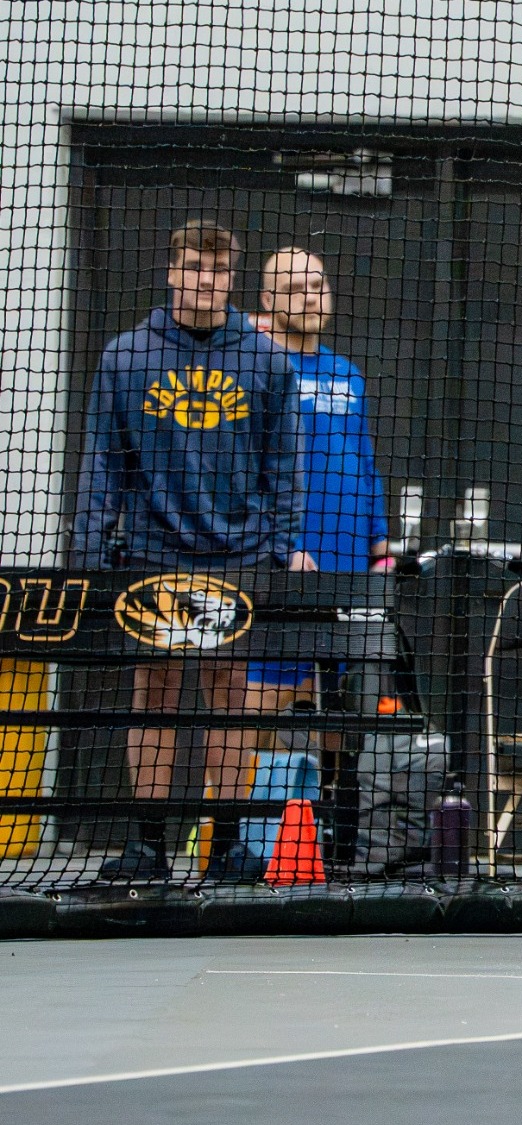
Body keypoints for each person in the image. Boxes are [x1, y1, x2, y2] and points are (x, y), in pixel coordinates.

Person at [72, 219, 308, 883]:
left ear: (232, 277)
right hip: (152, 549)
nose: (206, 280)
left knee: (230, 692)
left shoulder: (266, 359)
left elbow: (284, 467)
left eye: (219, 270)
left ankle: (226, 845)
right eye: (195, 267)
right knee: (154, 691)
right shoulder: (125, 356)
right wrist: (88, 549)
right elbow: (103, 462)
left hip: (238, 552)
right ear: (172, 271)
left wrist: (282, 545)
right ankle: (148, 845)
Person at [247, 247, 392, 714]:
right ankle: (230, 792)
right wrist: (279, 544)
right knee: (254, 706)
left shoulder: (346, 373)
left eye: (317, 286)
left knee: (341, 708)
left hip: (347, 563)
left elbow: (364, 459)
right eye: (293, 290)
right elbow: (242, 469)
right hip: (284, 565)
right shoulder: (255, 368)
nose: (310, 299)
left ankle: (327, 791)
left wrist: (379, 539)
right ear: (267, 301)